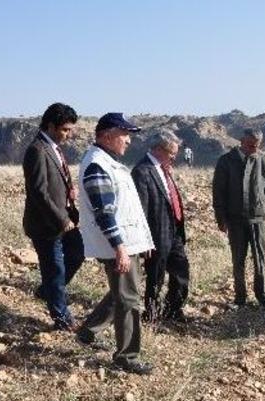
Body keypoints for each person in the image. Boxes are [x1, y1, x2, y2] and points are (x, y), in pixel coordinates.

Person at [75, 113, 154, 375]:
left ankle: (89, 330)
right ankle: (127, 356)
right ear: (107, 135)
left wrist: (142, 240)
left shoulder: (109, 162)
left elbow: (125, 209)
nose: (129, 141)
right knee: (129, 299)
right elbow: (104, 212)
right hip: (117, 245)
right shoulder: (98, 165)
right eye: (124, 134)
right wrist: (119, 247)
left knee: (122, 291)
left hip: (127, 242)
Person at [22, 103, 84, 331]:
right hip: (46, 225)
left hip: (65, 219)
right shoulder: (37, 150)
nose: (69, 135)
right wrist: (61, 219)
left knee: (77, 254)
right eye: (65, 129)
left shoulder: (54, 148)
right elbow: (39, 192)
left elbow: (54, 182)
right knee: (55, 270)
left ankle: (47, 290)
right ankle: (62, 319)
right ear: (50, 125)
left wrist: (69, 192)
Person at [212, 128, 265, 307]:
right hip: (235, 220)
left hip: (258, 218)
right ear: (242, 141)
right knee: (238, 260)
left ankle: (262, 295)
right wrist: (221, 219)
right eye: (251, 145)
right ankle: (240, 298)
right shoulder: (226, 162)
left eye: (257, 146)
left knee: (260, 258)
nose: (254, 149)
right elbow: (218, 193)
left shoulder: (263, 161)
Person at [132, 130, 189, 323]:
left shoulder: (164, 168)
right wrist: (144, 240)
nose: (174, 157)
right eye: (171, 152)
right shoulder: (142, 171)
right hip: (156, 234)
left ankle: (173, 309)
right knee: (155, 277)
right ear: (158, 149)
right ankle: (152, 314)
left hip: (174, 232)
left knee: (181, 272)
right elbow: (141, 209)